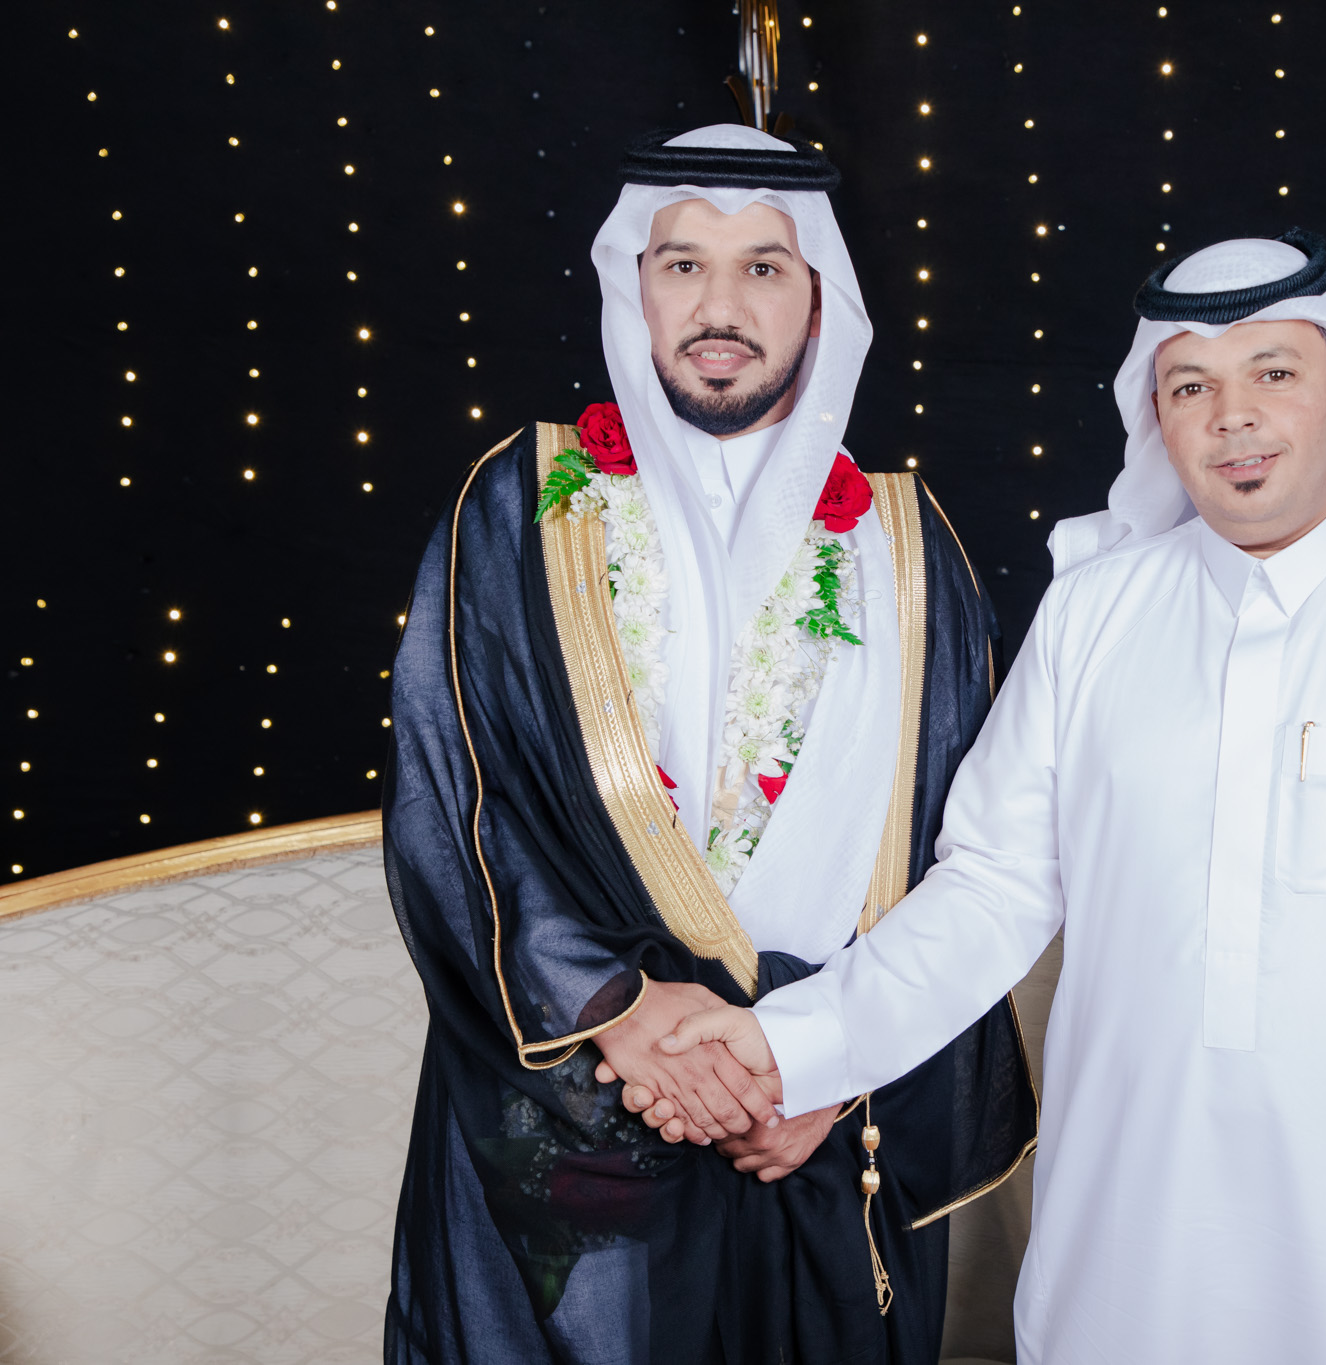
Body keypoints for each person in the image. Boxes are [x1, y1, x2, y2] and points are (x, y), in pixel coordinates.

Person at [651, 230, 1326, 1365]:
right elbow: (994, 889)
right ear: (1158, 416)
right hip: (1123, 1248)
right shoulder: (1092, 617)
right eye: (1190, 386)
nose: (1233, 417)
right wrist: (786, 1046)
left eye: (1273, 373)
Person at [381, 124, 1037, 1365]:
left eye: (762, 269)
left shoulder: (906, 547)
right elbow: (455, 797)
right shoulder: (521, 505)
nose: (719, 307)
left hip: (816, 1125)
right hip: (580, 1105)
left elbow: (967, 855)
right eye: (682, 264)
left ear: (819, 302)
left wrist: (826, 1066)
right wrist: (622, 1016)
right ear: (632, 283)